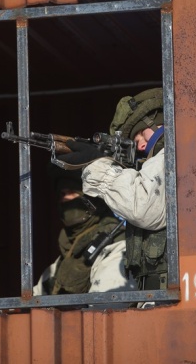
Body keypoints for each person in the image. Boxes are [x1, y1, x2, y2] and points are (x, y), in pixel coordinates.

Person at [57, 87, 168, 291]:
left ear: (156, 120)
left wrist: (98, 164)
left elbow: (142, 207)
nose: (141, 147)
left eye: (140, 136)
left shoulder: (172, 151)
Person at [33, 165, 135, 295]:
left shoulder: (117, 245)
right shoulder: (69, 251)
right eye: (62, 194)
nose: (65, 199)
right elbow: (37, 297)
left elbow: (105, 302)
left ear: (90, 199)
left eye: (72, 192)